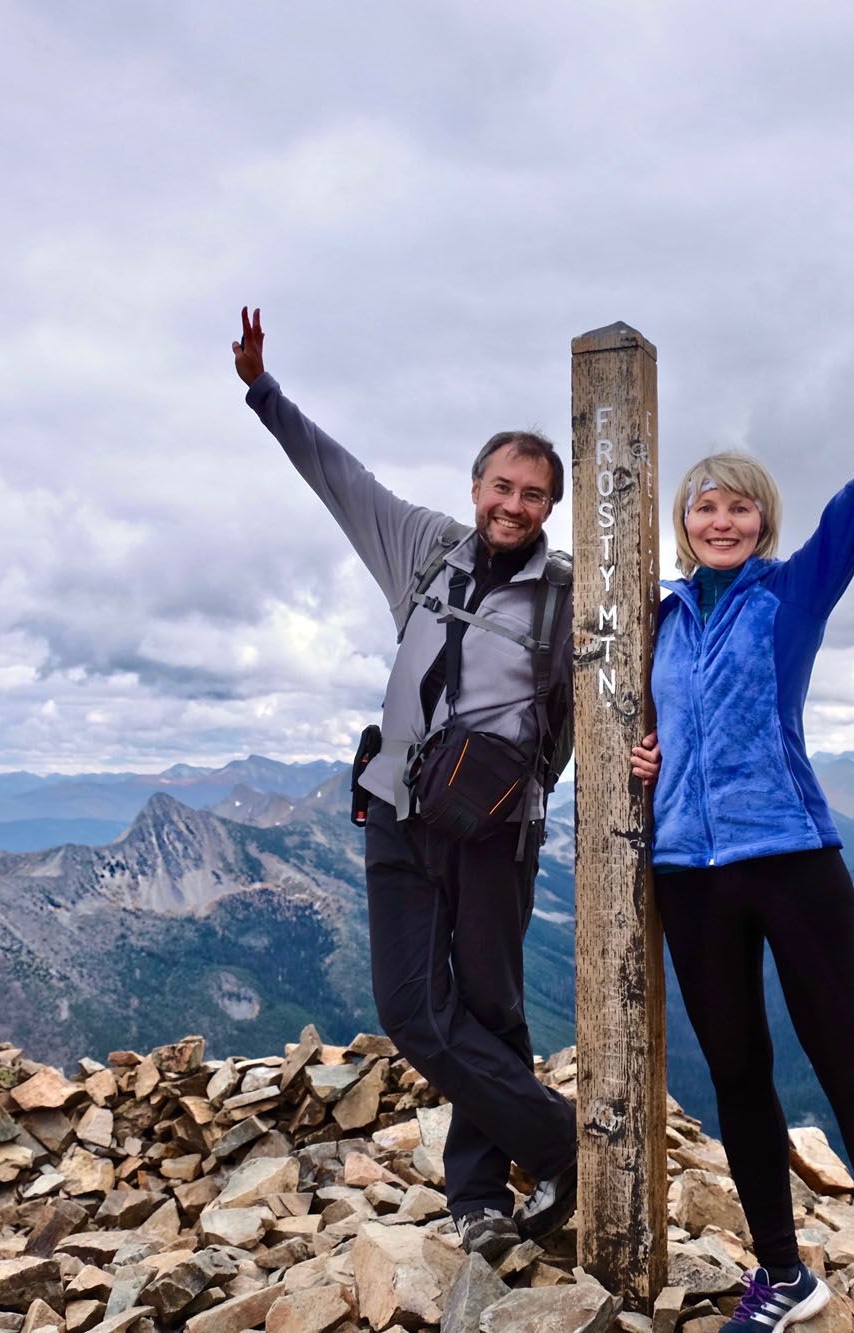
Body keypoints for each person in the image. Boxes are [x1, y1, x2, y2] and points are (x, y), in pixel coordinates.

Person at [629, 277, 854, 1333]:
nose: (721, 516)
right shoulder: (652, 619)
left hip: (789, 858)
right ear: (682, 523)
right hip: (687, 873)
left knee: (845, 1067)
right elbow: (626, 711)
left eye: (739, 503)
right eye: (704, 504)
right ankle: (782, 1275)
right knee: (737, 1077)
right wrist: (647, 758)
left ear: (762, 522)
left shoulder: (792, 592)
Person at [233, 307, 578, 1261]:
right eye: (503, 485)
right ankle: (560, 1143)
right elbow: (338, 479)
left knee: (493, 1010)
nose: (515, 504)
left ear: (552, 505)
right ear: (476, 485)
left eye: (536, 494)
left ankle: (477, 1198)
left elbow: (632, 678)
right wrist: (265, 393)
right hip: (397, 809)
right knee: (411, 1009)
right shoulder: (424, 548)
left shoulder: (567, 591)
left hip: (498, 826)